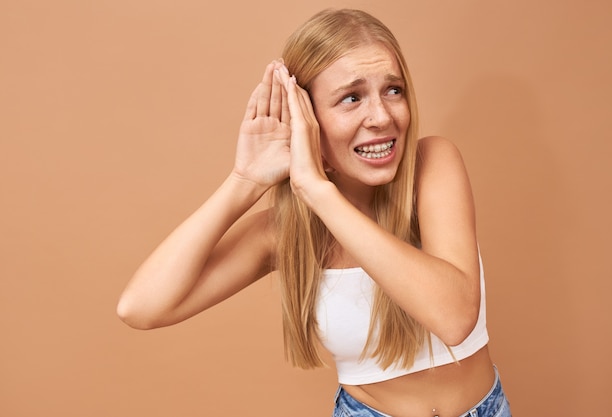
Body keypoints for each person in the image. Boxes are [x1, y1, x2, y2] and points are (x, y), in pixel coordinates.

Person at [117, 8, 511, 417]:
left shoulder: (433, 164)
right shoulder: (283, 232)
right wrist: (244, 180)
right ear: (305, 118)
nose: (382, 116)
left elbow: (453, 316)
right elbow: (140, 307)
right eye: (352, 98)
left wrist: (318, 190)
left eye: (393, 90)